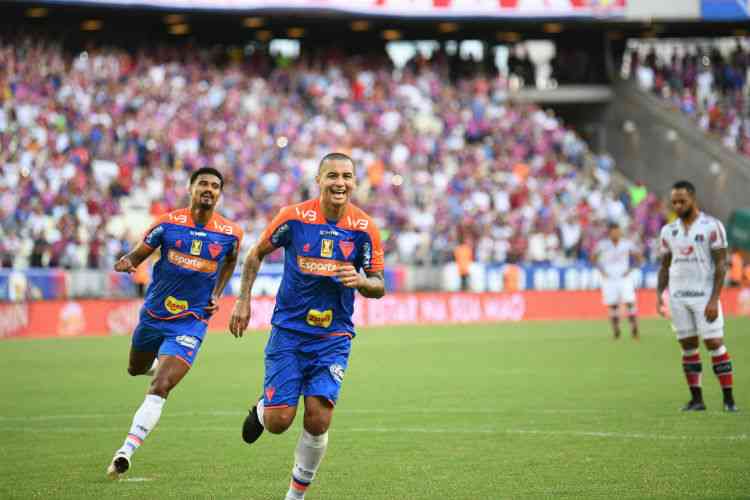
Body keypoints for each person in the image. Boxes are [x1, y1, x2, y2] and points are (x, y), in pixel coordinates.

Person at [229, 153, 385, 500]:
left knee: (318, 418)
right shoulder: (294, 218)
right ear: (319, 180)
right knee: (278, 422)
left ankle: (295, 496)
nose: (340, 182)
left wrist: (360, 281)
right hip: (289, 332)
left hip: (333, 337)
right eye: (332, 175)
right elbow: (255, 253)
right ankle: (263, 408)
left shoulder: (364, 229)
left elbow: (379, 285)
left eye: (346, 176)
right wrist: (243, 300)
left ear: (355, 182)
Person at [106, 167, 243, 478]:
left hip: (191, 321)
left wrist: (217, 293)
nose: (209, 189)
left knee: (161, 386)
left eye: (215, 186)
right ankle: (156, 363)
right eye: (203, 184)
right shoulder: (168, 224)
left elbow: (232, 260)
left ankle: (126, 450)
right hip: (154, 316)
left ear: (220, 194)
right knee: (136, 368)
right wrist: (128, 261)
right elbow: (140, 253)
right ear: (190, 188)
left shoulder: (230, 233)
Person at [657, 180, 738, 412]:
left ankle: (729, 400)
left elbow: (721, 264)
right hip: (678, 297)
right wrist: (658, 295)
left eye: (682, 201)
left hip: (704, 297)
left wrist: (714, 299)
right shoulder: (668, 231)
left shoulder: (712, 226)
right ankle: (697, 400)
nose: (678, 205)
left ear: (693, 198)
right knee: (688, 347)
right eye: (674, 202)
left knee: (714, 343)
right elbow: (664, 266)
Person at [593, 222, 641, 339]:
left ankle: (634, 328)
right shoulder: (603, 245)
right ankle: (616, 331)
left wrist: (630, 269)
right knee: (613, 305)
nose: (616, 234)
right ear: (609, 233)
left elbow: (639, 257)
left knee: (629, 302)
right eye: (613, 231)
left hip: (623, 277)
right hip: (609, 278)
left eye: (617, 231)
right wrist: (602, 271)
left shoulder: (626, 244)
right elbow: (593, 258)